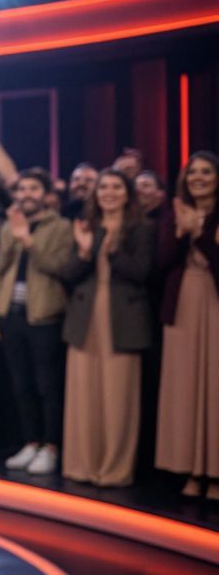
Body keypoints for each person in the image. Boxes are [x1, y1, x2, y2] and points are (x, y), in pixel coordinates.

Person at [59, 170, 153, 487]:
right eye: (103, 188)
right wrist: (85, 252)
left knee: (118, 397)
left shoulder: (142, 229)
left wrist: (113, 251)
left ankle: (114, 470)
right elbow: (68, 274)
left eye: (116, 187)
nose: (109, 192)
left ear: (128, 194)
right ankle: (82, 466)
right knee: (84, 395)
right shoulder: (87, 227)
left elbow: (141, 273)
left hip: (122, 321)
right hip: (85, 320)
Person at [0, 168, 72, 475]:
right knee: (20, 385)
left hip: (44, 315)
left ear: (46, 195)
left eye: (33, 189)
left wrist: (29, 241)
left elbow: (61, 267)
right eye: (21, 190)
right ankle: (31, 442)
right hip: (11, 315)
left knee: (47, 385)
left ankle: (52, 446)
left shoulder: (61, 227)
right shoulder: (9, 227)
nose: (26, 195)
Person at [155, 152, 219, 500]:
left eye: (206, 171)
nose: (199, 177)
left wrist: (202, 234)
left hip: (215, 302)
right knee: (186, 389)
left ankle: (215, 473)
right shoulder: (173, 212)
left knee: (214, 388)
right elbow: (161, 264)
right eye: (193, 172)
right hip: (181, 307)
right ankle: (191, 470)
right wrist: (181, 234)